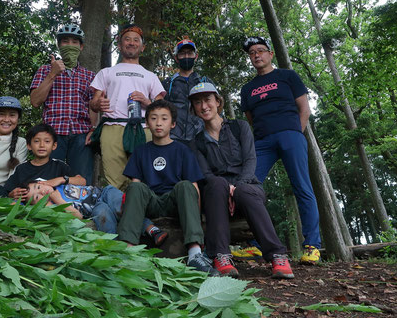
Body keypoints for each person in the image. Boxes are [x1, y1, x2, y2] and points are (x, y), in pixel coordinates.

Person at [189, 83, 294, 279]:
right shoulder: (196, 142)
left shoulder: (240, 127)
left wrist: (236, 188)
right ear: (193, 108)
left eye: (208, 100)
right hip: (216, 195)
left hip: (247, 187)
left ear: (218, 102)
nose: (204, 106)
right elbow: (205, 174)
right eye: (197, 102)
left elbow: (250, 160)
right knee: (216, 184)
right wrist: (226, 189)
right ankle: (221, 256)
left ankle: (277, 256)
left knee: (244, 191)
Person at [6, 124, 164, 242]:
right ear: (29, 145)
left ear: (54, 145)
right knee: (104, 217)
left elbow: (82, 180)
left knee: (122, 207)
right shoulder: (23, 171)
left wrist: (61, 179)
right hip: (93, 208)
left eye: (46, 141)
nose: (41, 145)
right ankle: (118, 249)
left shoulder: (58, 165)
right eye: (36, 141)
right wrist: (12, 194)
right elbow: (11, 197)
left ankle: (151, 229)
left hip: (102, 193)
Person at [240, 36, 321, 264]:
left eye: (260, 51)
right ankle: (255, 245)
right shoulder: (247, 88)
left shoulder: (288, 76)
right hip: (263, 142)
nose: (257, 55)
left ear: (270, 54)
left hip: (290, 135)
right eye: (252, 53)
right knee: (247, 187)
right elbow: (251, 119)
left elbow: (304, 108)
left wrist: (297, 132)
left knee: (302, 187)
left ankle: (312, 246)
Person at [117, 99, 218, 276]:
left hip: (175, 202)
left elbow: (194, 188)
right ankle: (128, 251)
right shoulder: (141, 151)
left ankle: (195, 254)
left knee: (186, 186)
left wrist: (197, 221)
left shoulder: (183, 150)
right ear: (147, 123)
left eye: (164, 118)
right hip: (152, 202)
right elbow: (135, 187)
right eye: (154, 118)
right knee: (134, 188)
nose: (158, 123)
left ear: (173, 124)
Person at [89, 24, 166, 190]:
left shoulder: (150, 76)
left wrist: (147, 102)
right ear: (119, 45)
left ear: (142, 47)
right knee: (114, 181)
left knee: (145, 178)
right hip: (112, 127)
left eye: (136, 40)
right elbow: (94, 102)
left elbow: (162, 108)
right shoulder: (106, 72)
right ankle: (117, 213)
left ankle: (144, 213)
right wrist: (98, 104)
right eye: (127, 39)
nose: (131, 43)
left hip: (143, 128)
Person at [30, 23, 97, 184]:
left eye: (75, 42)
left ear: (81, 47)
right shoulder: (45, 70)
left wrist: (93, 129)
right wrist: (52, 74)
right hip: (52, 134)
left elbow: (92, 106)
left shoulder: (89, 75)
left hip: (81, 134)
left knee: (82, 182)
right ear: (59, 45)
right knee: (46, 181)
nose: (70, 45)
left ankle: (80, 209)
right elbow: (35, 101)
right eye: (65, 41)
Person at [162, 38, 212, 145]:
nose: (186, 57)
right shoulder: (168, 84)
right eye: (182, 54)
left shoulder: (205, 81)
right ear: (176, 58)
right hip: (173, 139)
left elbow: (216, 111)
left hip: (202, 139)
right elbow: (160, 111)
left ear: (196, 56)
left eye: (190, 53)